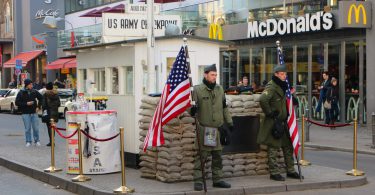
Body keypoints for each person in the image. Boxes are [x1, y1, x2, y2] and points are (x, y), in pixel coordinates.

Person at [191, 64, 233, 191]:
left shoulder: (220, 89)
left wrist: (229, 122)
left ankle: (218, 179)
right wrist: (192, 110)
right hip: (206, 130)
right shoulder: (197, 90)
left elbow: (224, 107)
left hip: (218, 129)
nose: (214, 77)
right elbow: (191, 107)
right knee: (202, 156)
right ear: (205, 74)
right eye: (212, 75)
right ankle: (198, 180)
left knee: (217, 156)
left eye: (216, 75)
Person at [257, 65, 302, 181]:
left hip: (285, 121)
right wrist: (270, 113)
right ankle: (274, 172)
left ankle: (291, 170)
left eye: (285, 74)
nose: (284, 76)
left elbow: (286, 100)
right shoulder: (272, 86)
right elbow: (263, 99)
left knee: (288, 147)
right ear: (276, 74)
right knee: (273, 148)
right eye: (282, 74)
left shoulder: (284, 86)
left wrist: (293, 99)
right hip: (274, 121)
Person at [15, 79, 43, 147]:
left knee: (35, 128)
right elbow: (17, 102)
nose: (32, 85)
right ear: (27, 85)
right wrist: (26, 103)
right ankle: (28, 141)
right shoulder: (21, 92)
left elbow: (41, 98)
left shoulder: (34, 91)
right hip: (25, 113)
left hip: (34, 112)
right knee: (27, 128)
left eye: (32, 84)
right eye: (30, 84)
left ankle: (37, 141)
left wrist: (38, 107)